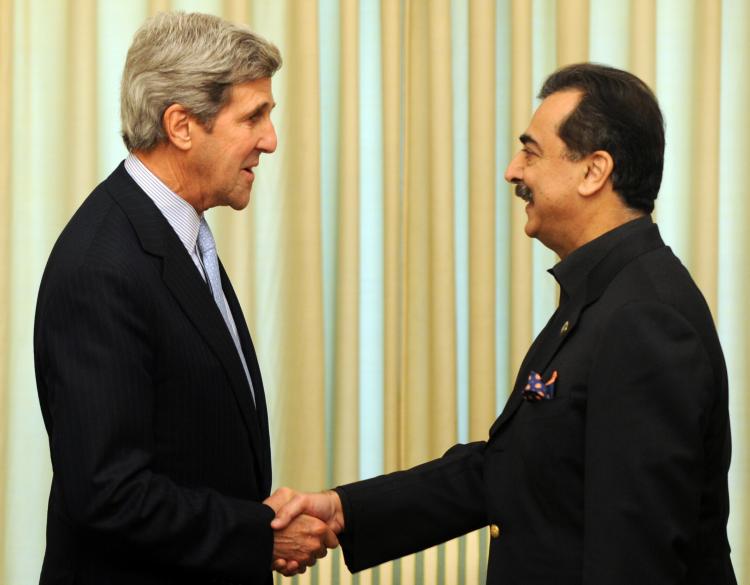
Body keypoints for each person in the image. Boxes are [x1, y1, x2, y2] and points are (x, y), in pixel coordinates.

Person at [268, 63, 737, 584]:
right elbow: (510, 467)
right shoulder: (600, 299)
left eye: (531, 152)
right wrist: (344, 510)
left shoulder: (642, 318)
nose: (514, 171)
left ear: (593, 171)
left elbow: (634, 557)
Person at [33, 12, 335, 585]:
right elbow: (108, 493)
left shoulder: (172, 232)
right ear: (181, 126)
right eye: (254, 116)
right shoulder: (104, 266)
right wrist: (258, 534)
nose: (270, 140)